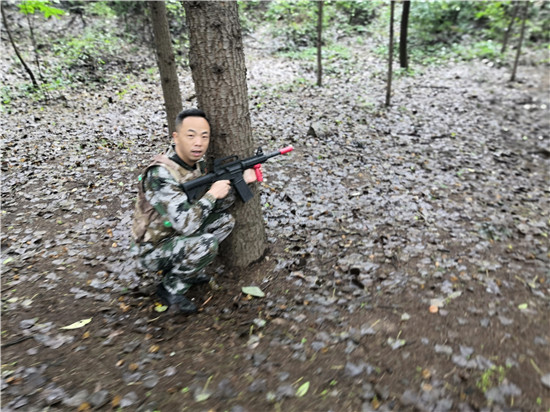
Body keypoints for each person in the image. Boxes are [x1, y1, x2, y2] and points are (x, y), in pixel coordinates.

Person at [131, 108, 257, 314]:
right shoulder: (160, 174)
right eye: (191, 135)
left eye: (204, 136)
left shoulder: (193, 166)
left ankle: (183, 271)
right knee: (206, 243)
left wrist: (237, 184)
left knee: (224, 220)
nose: (198, 142)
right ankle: (170, 288)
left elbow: (212, 208)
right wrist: (212, 195)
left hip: (173, 234)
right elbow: (187, 224)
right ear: (176, 137)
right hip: (151, 249)